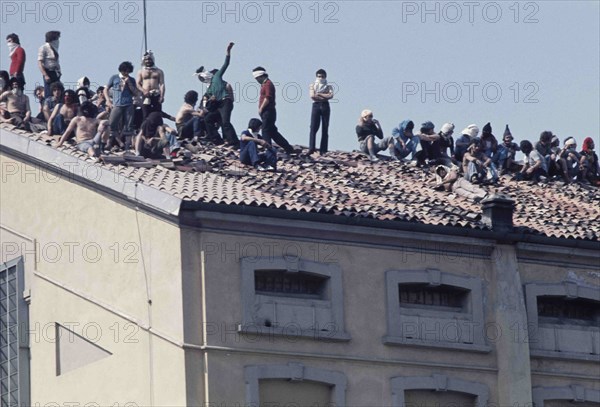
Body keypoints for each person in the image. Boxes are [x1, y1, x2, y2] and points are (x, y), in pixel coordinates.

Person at [197, 42, 239, 146]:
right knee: (208, 119)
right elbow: (207, 97)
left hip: (226, 102)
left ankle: (234, 142)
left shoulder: (217, 77)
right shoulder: (210, 88)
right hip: (219, 105)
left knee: (225, 122)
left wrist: (228, 52)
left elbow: (226, 64)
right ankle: (217, 140)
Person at [252, 67, 295, 155]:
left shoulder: (268, 84)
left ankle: (268, 149)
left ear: (261, 76)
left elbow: (268, 97)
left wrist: (261, 108)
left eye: (257, 78)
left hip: (268, 111)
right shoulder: (265, 84)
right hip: (268, 111)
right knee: (273, 132)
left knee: (265, 130)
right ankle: (288, 148)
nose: (256, 80)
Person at [105, 61, 137, 150]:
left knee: (128, 125)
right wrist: (108, 100)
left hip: (128, 104)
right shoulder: (114, 78)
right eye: (124, 71)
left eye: (128, 71)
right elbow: (106, 89)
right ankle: (109, 143)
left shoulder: (132, 80)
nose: (126, 73)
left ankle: (127, 146)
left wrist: (129, 83)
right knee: (111, 124)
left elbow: (135, 93)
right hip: (117, 104)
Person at [308, 69, 334, 155]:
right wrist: (323, 96)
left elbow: (330, 95)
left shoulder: (329, 86)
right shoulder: (312, 85)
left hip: (325, 105)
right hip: (316, 105)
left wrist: (319, 94)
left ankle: (323, 149)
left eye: (322, 76)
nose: (320, 78)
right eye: (319, 76)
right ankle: (311, 148)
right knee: (313, 127)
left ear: (325, 77)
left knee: (325, 127)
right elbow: (312, 96)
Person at [136, 51, 165, 121]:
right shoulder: (140, 71)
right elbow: (138, 83)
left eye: (149, 59)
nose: (148, 61)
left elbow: (162, 84)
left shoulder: (159, 71)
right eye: (146, 60)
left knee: (157, 113)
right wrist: (144, 91)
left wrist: (162, 96)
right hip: (146, 95)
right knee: (145, 114)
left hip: (156, 94)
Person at [38, 31, 61, 98]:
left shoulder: (55, 48)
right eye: (57, 38)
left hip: (55, 72)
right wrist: (45, 75)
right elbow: (40, 63)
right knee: (49, 92)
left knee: (58, 90)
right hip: (48, 72)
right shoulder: (43, 48)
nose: (58, 40)